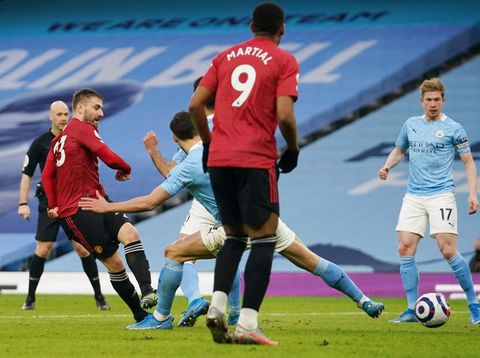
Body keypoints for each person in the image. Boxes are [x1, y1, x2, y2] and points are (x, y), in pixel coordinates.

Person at [79, 111, 384, 334]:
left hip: (235, 228)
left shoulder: (188, 166)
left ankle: (160, 318)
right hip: (265, 217)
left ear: (175, 137)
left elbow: (149, 202)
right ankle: (364, 300)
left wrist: (108, 206)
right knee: (311, 261)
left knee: (174, 253)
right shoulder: (224, 144)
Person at [189, 2, 300, 345]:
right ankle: (248, 324)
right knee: (264, 237)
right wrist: (293, 148)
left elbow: (195, 105)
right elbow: (283, 115)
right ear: (282, 29)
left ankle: (217, 307)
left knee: (234, 238)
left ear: (251, 26)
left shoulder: (224, 57)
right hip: (255, 159)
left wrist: (208, 144)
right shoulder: (284, 61)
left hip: (220, 159)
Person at [41, 88, 157, 323]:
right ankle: (141, 316)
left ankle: (147, 292)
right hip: (77, 211)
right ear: (80, 108)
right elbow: (107, 155)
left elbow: (46, 176)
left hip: (99, 201)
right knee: (114, 263)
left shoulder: (57, 140)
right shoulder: (81, 128)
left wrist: (52, 204)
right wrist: (126, 168)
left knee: (131, 233)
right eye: (97, 107)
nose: (101, 113)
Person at [378, 78, 480, 324]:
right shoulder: (410, 125)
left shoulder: (454, 128)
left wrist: (473, 193)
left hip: (441, 195)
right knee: (404, 248)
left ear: (443, 100)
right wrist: (387, 166)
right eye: (428, 100)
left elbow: (468, 161)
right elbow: (399, 150)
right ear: (421, 101)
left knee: (447, 250)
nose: (432, 104)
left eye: (437, 100)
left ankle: (474, 304)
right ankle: (412, 309)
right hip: (414, 195)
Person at [142, 87, 241, 327]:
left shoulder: (195, 128)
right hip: (234, 197)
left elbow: (170, 173)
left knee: (180, 251)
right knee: (231, 253)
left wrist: (154, 151)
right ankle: (236, 311)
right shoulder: (231, 121)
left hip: (205, 199)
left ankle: (193, 300)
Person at [18, 100, 109, 311]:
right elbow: (27, 174)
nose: (63, 118)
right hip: (48, 200)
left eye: (66, 113)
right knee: (43, 248)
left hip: (73, 199)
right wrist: (23, 202)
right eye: (58, 114)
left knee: (82, 248)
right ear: (51, 117)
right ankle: (30, 299)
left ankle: (99, 297)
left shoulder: (75, 137)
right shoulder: (40, 143)